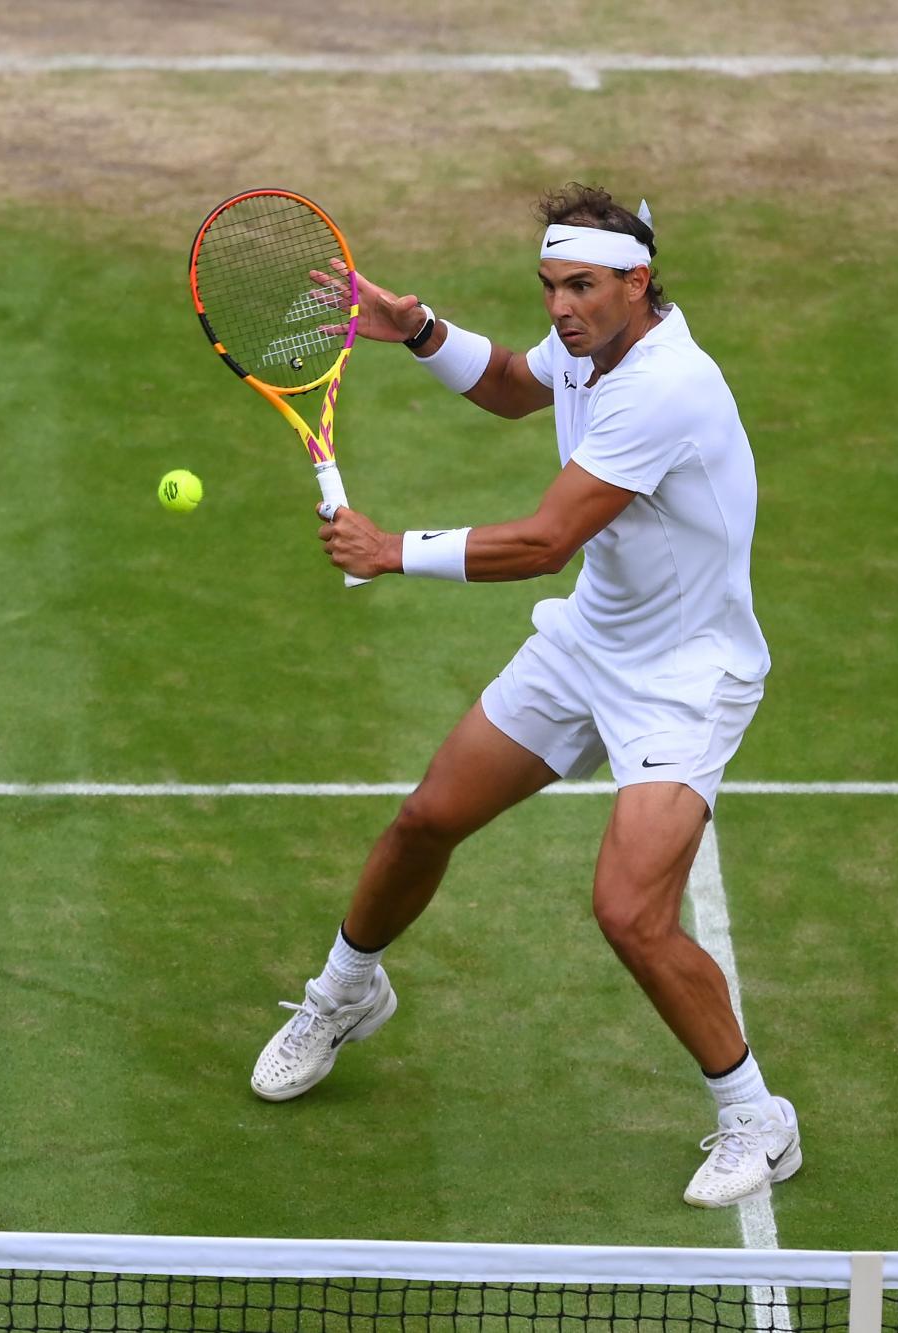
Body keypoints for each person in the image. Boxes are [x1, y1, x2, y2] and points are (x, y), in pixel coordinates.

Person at [250, 183, 796, 1209]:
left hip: (684, 681)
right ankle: (343, 994)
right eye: (547, 286)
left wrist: (391, 551)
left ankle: (757, 1118)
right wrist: (415, 329)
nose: (558, 307)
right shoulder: (594, 348)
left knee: (629, 914)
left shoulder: (665, 387)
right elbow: (509, 384)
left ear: (637, 282)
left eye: (579, 286)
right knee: (426, 820)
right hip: (592, 643)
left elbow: (546, 541)